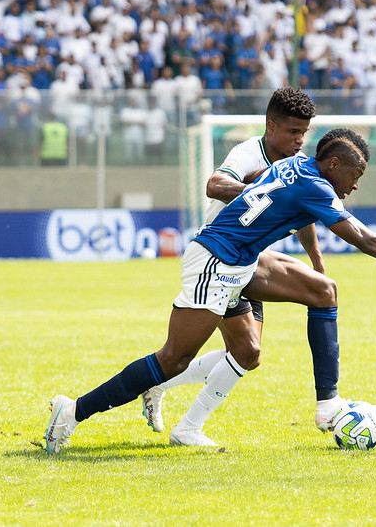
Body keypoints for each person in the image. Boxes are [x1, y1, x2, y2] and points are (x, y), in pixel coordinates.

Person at [44, 128, 376, 454]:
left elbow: (260, 180)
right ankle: (74, 411)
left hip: (239, 261)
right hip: (215, 260)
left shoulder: (296, 167)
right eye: (356, 172)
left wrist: (267, 201)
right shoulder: (315, 183)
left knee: (312, 300)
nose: (357, 182)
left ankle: (326, 405)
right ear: (333, 165)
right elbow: (366, 240)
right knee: (172, 358)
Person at [140, 89, 354, 438]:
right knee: (243, 351)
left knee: (247, 354)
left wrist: (316, 258)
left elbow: (302, 213)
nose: (301, 140)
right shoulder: (246, 152)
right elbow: (214, 184)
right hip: (220, 254)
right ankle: (185, 421)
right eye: (293, 132)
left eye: (305, 132)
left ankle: (165, 392)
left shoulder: (294, 165)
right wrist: (259, 192)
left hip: (248, 257)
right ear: (271, 127)